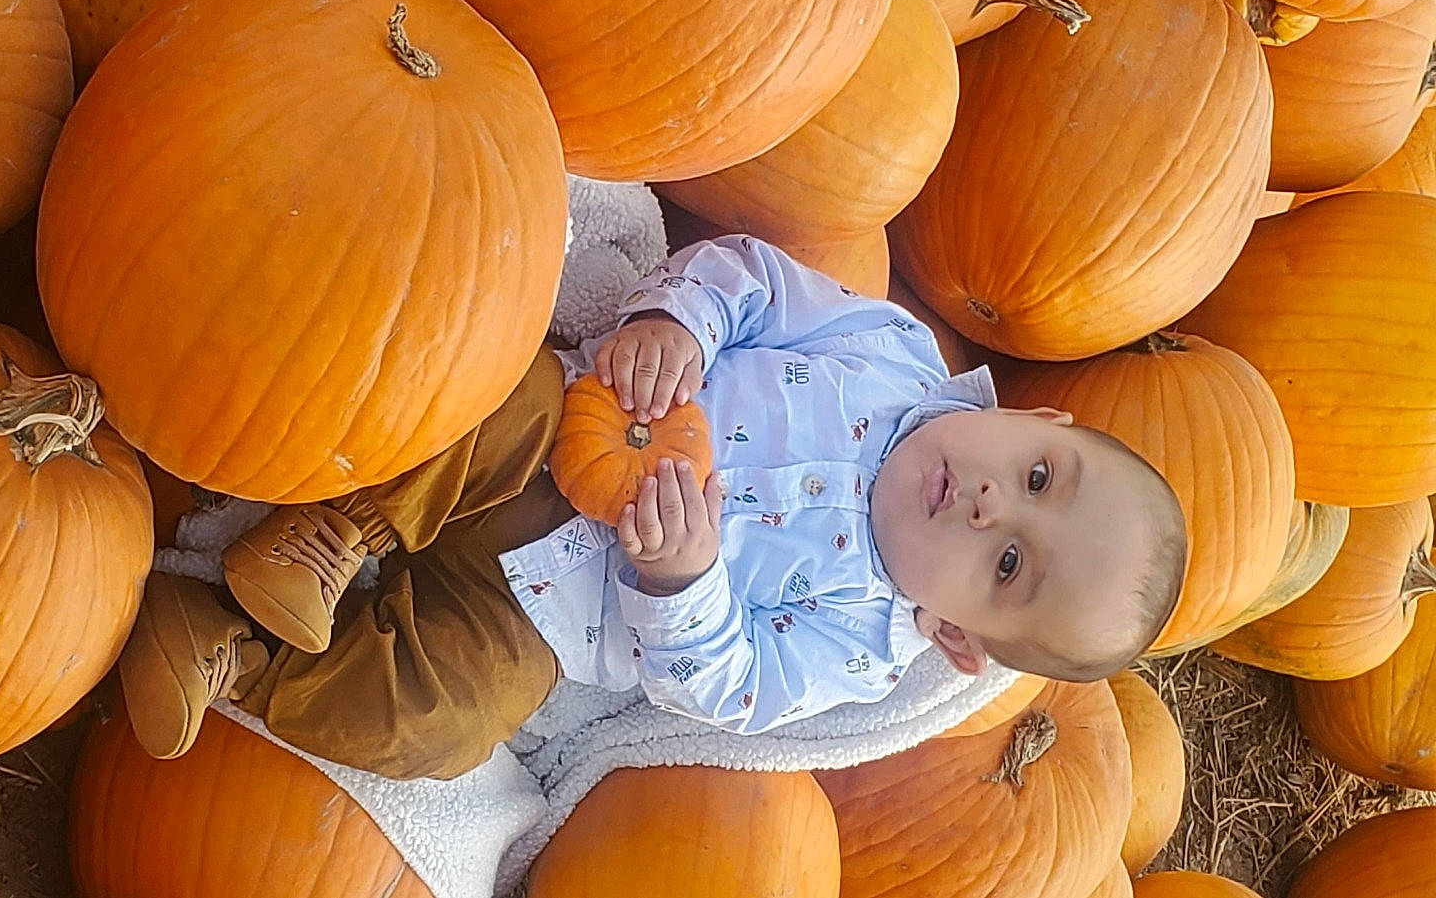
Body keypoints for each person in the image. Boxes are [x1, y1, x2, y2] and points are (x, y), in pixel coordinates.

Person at [115, 234, 1189, 781]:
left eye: (1007, 566)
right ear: (1037, 416)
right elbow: (755, 281)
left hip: (539, 618)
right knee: (486, 396)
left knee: (445, 722)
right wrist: (679, 322)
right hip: (553, 439)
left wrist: (682, 584)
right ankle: (332, 531)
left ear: (956, 639)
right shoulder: (890, 356)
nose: (991, 506)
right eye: (1038, 477)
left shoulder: (857, 647)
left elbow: (726, 692)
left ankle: (228, 658)